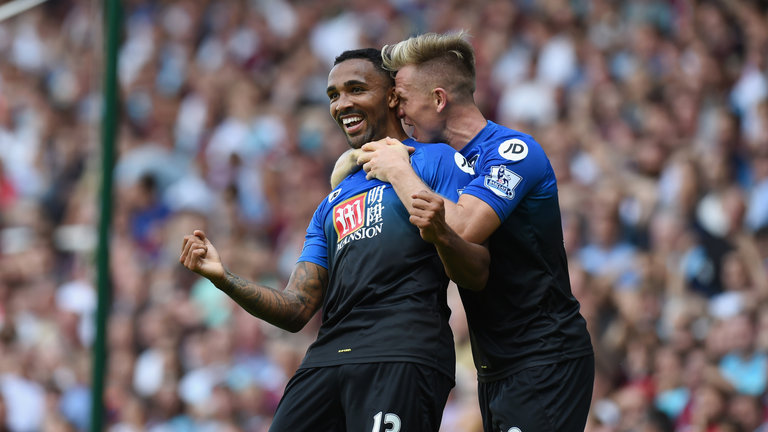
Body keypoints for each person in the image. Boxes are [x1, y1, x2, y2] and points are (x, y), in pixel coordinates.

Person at [179, 48, 477, 431]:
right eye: (334, 95)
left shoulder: (436, 161)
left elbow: (474, 259)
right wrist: (223, 278)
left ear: (391, 95)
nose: (342, 104)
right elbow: (296, 309)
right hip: (326, 358)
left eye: (355, 89)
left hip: (401, 352)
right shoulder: (333, 200)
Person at [353, 32, 595, 432]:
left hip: (545, 355)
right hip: (496, 365)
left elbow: (463, 226)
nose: (399, 111)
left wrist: (398, 170)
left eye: (404, 98)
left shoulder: (513, 150)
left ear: (438, 99)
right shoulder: (442, 165)